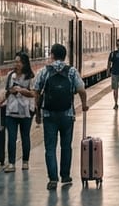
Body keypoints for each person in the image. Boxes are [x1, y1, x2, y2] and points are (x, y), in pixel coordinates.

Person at [33, 43, 89, 190]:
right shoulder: (71, 71)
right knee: (66, 146)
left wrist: (37, 112)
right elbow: (82, 90)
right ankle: (65, 176)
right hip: (67, 114)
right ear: (65, 56)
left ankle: (53, 178)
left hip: (49, 114)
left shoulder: (44, 71)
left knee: (50, 148)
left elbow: (36, 92)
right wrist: (84, 105)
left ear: (51, 54)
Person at [3, 52, 36, 172]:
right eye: (15, 61)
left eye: (18, 62)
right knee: (11, 137)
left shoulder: (30, 77)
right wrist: (0, 102)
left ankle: (25, 162)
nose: (16, 64)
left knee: (25, 136)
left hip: (25, 111)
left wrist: (21, 90)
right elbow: (7, 91)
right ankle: (11, 163)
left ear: (24, 63)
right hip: (11, 110)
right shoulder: (10, 75)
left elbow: (33, 93)